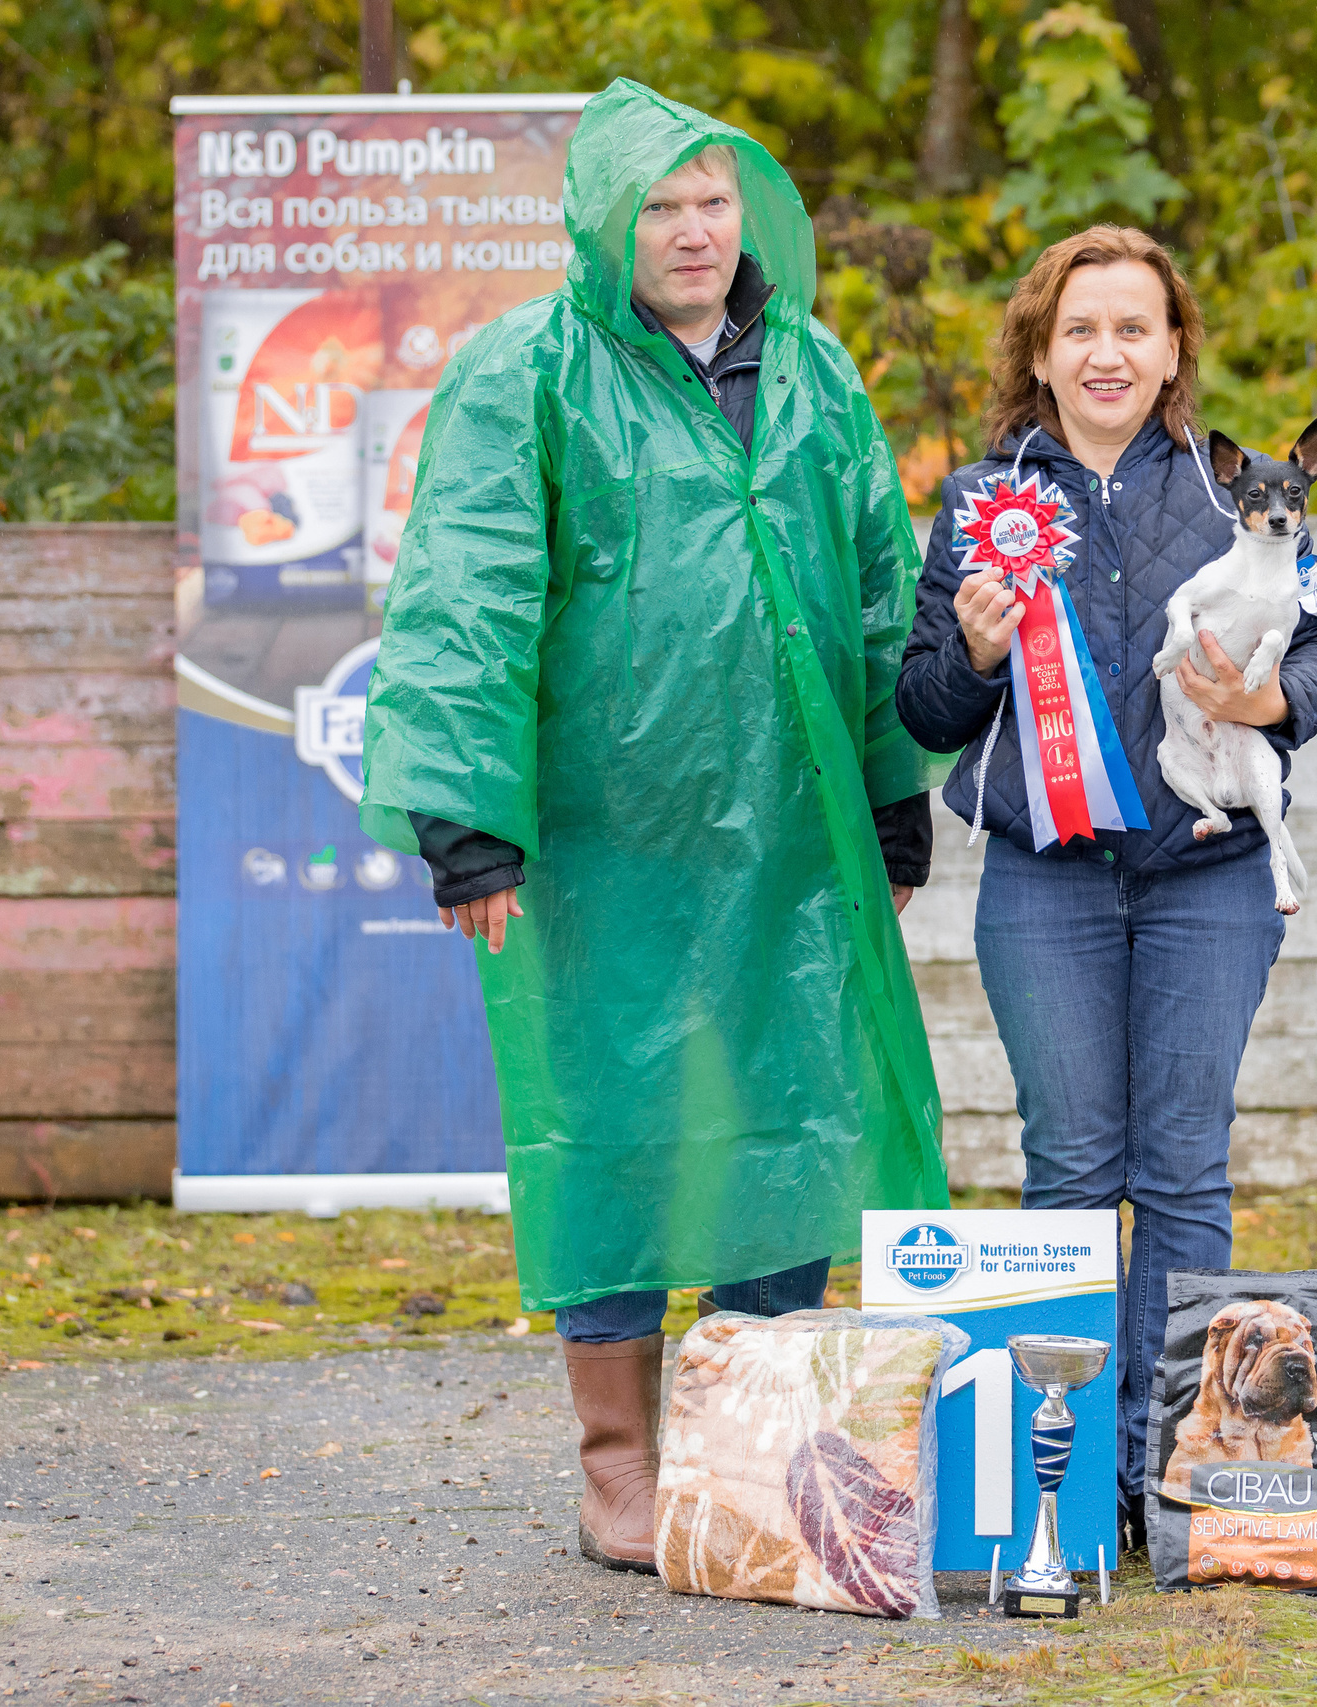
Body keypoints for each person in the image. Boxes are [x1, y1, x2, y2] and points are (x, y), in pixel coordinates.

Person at [357, 80, 950, 1576]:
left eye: (713, 201)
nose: (693, 232)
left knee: (789, 1107)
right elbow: (465, 590)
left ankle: (743, 1440)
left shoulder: (813, 369)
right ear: (604, 223)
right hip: (600, 835)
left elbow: (878, 580)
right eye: (661, 207)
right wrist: (467, 818)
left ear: (746, 212)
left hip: (786, 835)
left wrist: (889, 785)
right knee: (610, 1122)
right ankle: (617, 1460)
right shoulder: (525, 375)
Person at [893, 225, 1317, 1546]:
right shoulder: (980, 501)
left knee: (1185, 1167)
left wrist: (1269, 696)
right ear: (1040, 353)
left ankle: (1190, 1483)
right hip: (1047, 883)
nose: (1107, 350)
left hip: (1209, 876)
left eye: (1134, 327)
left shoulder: (1240, 499)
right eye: (1080, 327)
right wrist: (978, 653)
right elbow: (925, 700)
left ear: (1171, 355)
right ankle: (1073, 1488)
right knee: (1074, 1169)